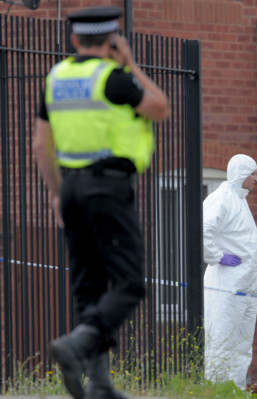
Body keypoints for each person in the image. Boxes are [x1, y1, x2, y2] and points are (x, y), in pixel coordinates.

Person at [33, 6, 168, 399]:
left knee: (87, 283)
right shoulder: (114, 79)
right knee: (129, 284)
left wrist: (57, 192)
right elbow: (160, 107)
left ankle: (100, 384)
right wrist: (131, 64)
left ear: (75, 40)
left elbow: (41, 144)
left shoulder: (56, 78)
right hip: (108, 187)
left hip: (71, 187)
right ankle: (77, 345)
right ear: (111, 41)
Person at [202, 154, 257, 388]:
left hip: (246, 288)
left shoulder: (240, 200)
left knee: (241, 345)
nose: (256, 178)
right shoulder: (222, 198)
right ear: (240, 174)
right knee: (222, 341)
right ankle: (218, 390)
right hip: (226, 286)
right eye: (252, 173)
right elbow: (203, 229)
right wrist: (216, 257)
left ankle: (235, 390)